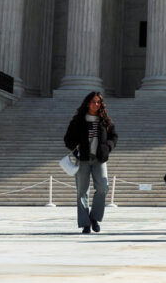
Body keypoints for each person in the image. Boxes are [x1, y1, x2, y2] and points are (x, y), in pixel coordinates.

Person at [63, 92, 118, 234]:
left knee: (103, 188)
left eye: (98, 102)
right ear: (88, 103)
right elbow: (68, 139)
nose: (96, 104)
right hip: (83, 159)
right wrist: (76, 148)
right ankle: (85, 223)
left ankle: (94, 218)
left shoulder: (105, 120)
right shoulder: (78, 120)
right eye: (93, 101)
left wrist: (107, 147)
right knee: (82, 191)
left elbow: (114, 136)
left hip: (99, 158)